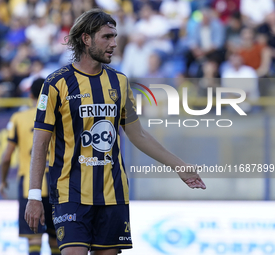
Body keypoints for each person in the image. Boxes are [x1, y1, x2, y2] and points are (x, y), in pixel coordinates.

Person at [25, 9, 206, 255]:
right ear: (86, 39)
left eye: (115, 36)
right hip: (70, 193)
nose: (114, 43)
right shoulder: (56, 83)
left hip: (113, 194)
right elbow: (40, 145)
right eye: (107, 37)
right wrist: (34, 196)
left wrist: (180, 166)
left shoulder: (119, 82)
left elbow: (137, 134)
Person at [0, 78, 61, 255]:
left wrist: (2, 181)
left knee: (34, 238)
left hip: (30, 183)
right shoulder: (58, 115)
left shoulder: (19, 118)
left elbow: (6, 157)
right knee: (56, 238)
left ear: (30, 94)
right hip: (56, 183)